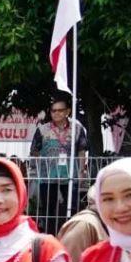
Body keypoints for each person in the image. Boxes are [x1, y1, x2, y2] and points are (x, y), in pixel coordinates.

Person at [30, 96, 89, 235]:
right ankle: (50, 237)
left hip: (70, 175)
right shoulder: (42, 130)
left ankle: (71, 236)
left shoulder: (77, 129)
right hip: (47, 176)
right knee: (49, 210)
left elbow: (81, 151)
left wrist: (81, 172)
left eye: (60, 110)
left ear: (68, 111)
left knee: (72, 208)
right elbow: (34, 151)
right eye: (53, 111)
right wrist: (37, 170)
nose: (56, 113)